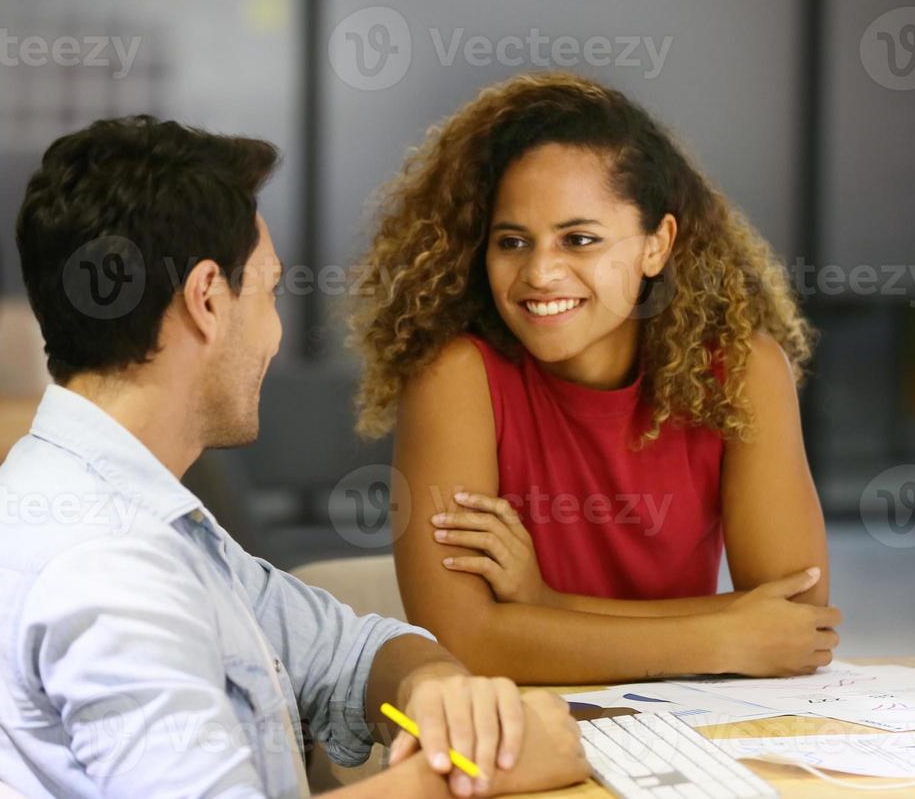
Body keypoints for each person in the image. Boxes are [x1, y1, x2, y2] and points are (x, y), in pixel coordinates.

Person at [0, 116, 588, 799]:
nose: (275, 336)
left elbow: (346, 647)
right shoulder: (108, 570)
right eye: (271, 292)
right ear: (208, 300)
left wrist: (442, 691)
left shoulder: (122, 503)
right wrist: (471, 776)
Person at [350, 73, 842, 686]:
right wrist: (724, 635)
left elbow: (797, 626)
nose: (540, 272)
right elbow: (465, 642)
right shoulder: (457, 377)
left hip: (695, 722)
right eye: (512, 242)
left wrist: (547, 605)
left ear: (656, 246)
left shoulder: (741, 369)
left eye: (579, 239)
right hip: (523, 724)